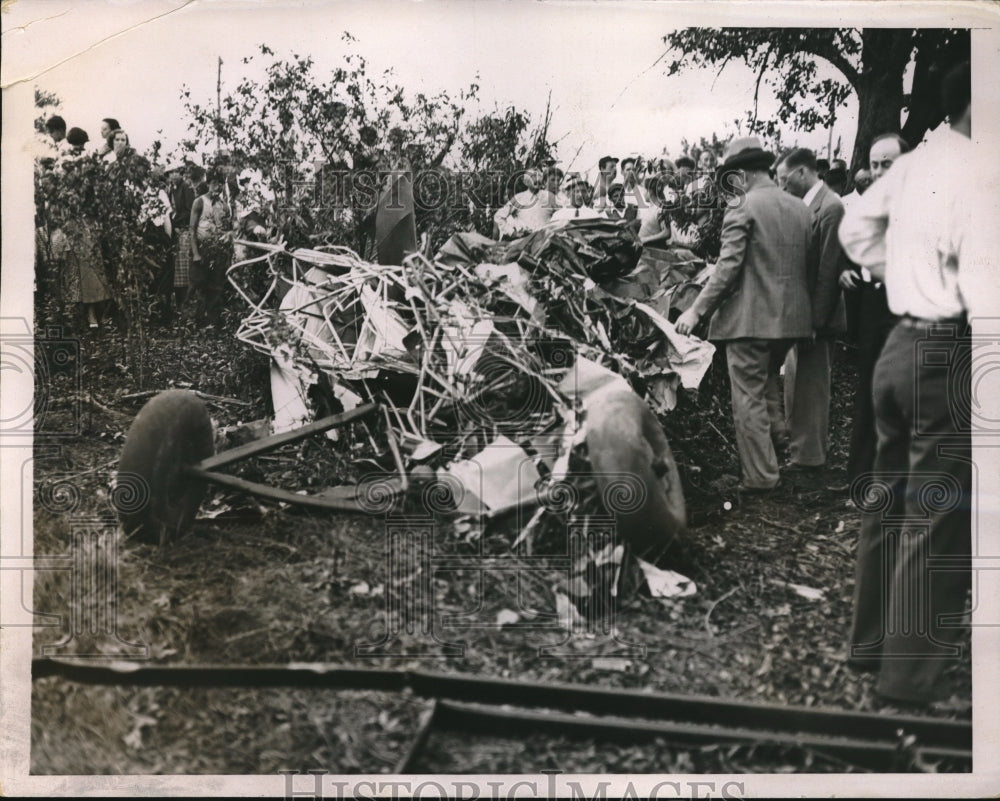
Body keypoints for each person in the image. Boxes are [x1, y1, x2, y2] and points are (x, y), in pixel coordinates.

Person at [838, 61, 990, 705]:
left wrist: (899, 276)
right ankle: (909, 685)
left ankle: (871, 647)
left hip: (899, 344)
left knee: (888, 499)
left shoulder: (917, 162)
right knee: (937, 516)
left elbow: (854, 228)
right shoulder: (983, 172)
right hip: (948, 347)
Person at [675, 137, 816, 492]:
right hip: (792, 322)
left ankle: (761, 477)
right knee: (767, 383)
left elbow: (727, 268)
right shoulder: (800, 208)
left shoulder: (743, 207)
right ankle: (780, 441)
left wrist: (695, 310)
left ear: (740, 174)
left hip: (751, 322)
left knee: (748, 398)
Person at [838, 133, 908, 487]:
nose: (880, 171)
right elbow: (848, 251)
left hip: (905, 310)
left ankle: (898, 477)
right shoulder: (864, 207)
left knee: (901, 390)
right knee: (867, 384)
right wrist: (845, 271)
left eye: (888, 164)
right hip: (870, 307)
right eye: (876, 164)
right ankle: (861, 475)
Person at [774, 148, 848, 472]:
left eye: (784, 179)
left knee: (811, 388)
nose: (783, 186)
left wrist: (815, 321)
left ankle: (810, 459)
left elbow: (828, 272)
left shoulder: (831, 207)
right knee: (797, 385)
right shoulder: (807, 206)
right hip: (799, 314)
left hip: (818, 318)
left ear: (803, 173)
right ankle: (801, 452)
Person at [189, 168, 233, 324]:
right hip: (202, 249)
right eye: (214, 183)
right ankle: (195, 320)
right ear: (208, 184)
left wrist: (228, 237)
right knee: (198, 283)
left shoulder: (224, 206)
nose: (217, 187)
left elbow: (229, 228)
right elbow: (192, 229)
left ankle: (213, 321)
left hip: (218, 251)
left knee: (216, 286)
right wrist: (195, 253)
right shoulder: (199, 202)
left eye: (220, 184)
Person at [492, 168, 555, 239]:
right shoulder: (519, 198)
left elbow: (562, 214)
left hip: (546, 241)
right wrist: (512, 233)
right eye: (533, 177)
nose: (537, 180)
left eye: (539, 176)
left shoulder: (550, 197)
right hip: (526, 242)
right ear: (525, 182)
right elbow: (498, 216)